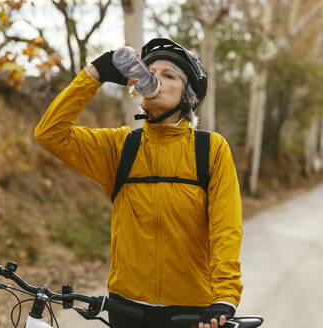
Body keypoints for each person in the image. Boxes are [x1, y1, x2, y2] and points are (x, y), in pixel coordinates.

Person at [35, 38, 243, 328]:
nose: (153, 77)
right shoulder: (121, 146)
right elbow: (50, 133)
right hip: (127, 308)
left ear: (189, 97)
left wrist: (225, 296)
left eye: (168, 75)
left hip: (192, 309)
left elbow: (226, 229)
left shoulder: (211, 149)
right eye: (150, 70)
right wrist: (93, 74)